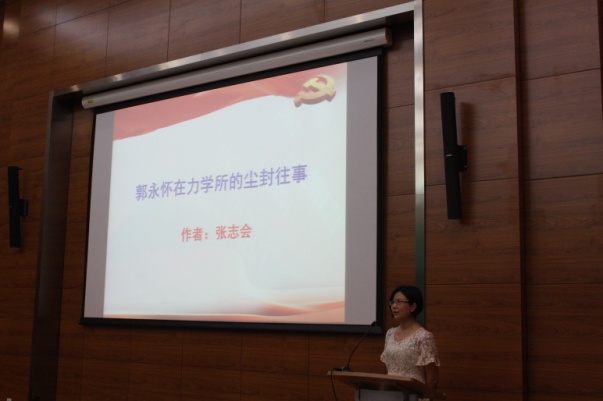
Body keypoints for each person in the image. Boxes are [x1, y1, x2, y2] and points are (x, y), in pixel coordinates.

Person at [380, 285, 440, 391]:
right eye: (392, 302)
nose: (394, 306)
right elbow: (387, 368)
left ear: (413, 306)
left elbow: (432, 380)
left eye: (399, 302)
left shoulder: (424, 337)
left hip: (414, 394)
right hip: (390, 394)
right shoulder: (390, 333)